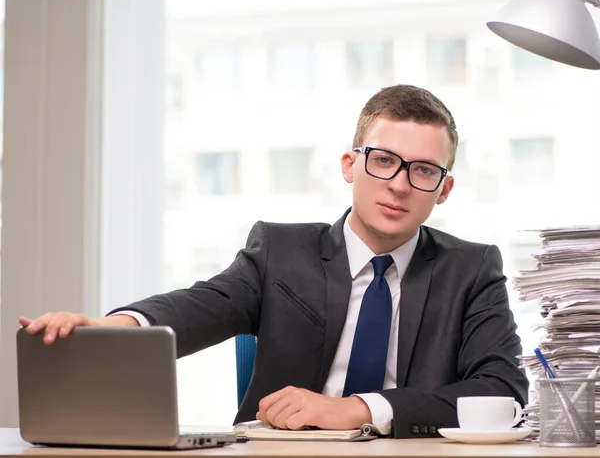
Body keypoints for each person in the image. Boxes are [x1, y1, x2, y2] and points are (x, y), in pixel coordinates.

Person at [20, 84, 528, 438]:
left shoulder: (472, 269)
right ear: (351, 165)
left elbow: (503, 391)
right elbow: (203, 304)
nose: (398, 183)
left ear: (444, 191)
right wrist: (114, 328)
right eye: (383, 160)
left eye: (423, 171)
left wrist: (356, 409)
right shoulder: (281, 254)